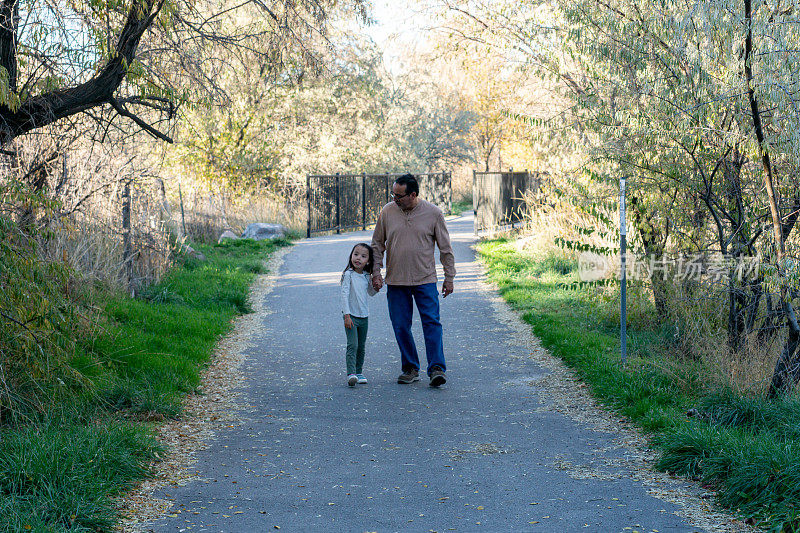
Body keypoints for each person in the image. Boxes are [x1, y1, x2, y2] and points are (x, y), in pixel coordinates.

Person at [371, 174, 455, 387]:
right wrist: (376, 272)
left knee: (432, 323)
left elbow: (445, 248)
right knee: (400, 325)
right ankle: (410, 368)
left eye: (399, 196)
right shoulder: (387, 211)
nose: (395, 199)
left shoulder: (433, 213)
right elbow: (377, 244)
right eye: (393, 194)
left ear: (413, 194)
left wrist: (449, 277)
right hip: (396, 280)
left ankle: (437, 368)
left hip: (425, 279)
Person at [340, 242, 379, 387]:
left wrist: (377, 286)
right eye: (356, 254)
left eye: (363, 256)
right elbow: (344, 296)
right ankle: (351, 373)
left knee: (361, 346)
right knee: (353, 344)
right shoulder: (348, 275)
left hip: (364, 316)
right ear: (351, 256)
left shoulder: (365, 276)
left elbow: (371, 293)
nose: (358, 258)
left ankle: (359, 371)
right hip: (351, 316)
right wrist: (346, 315)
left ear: (368, 261)